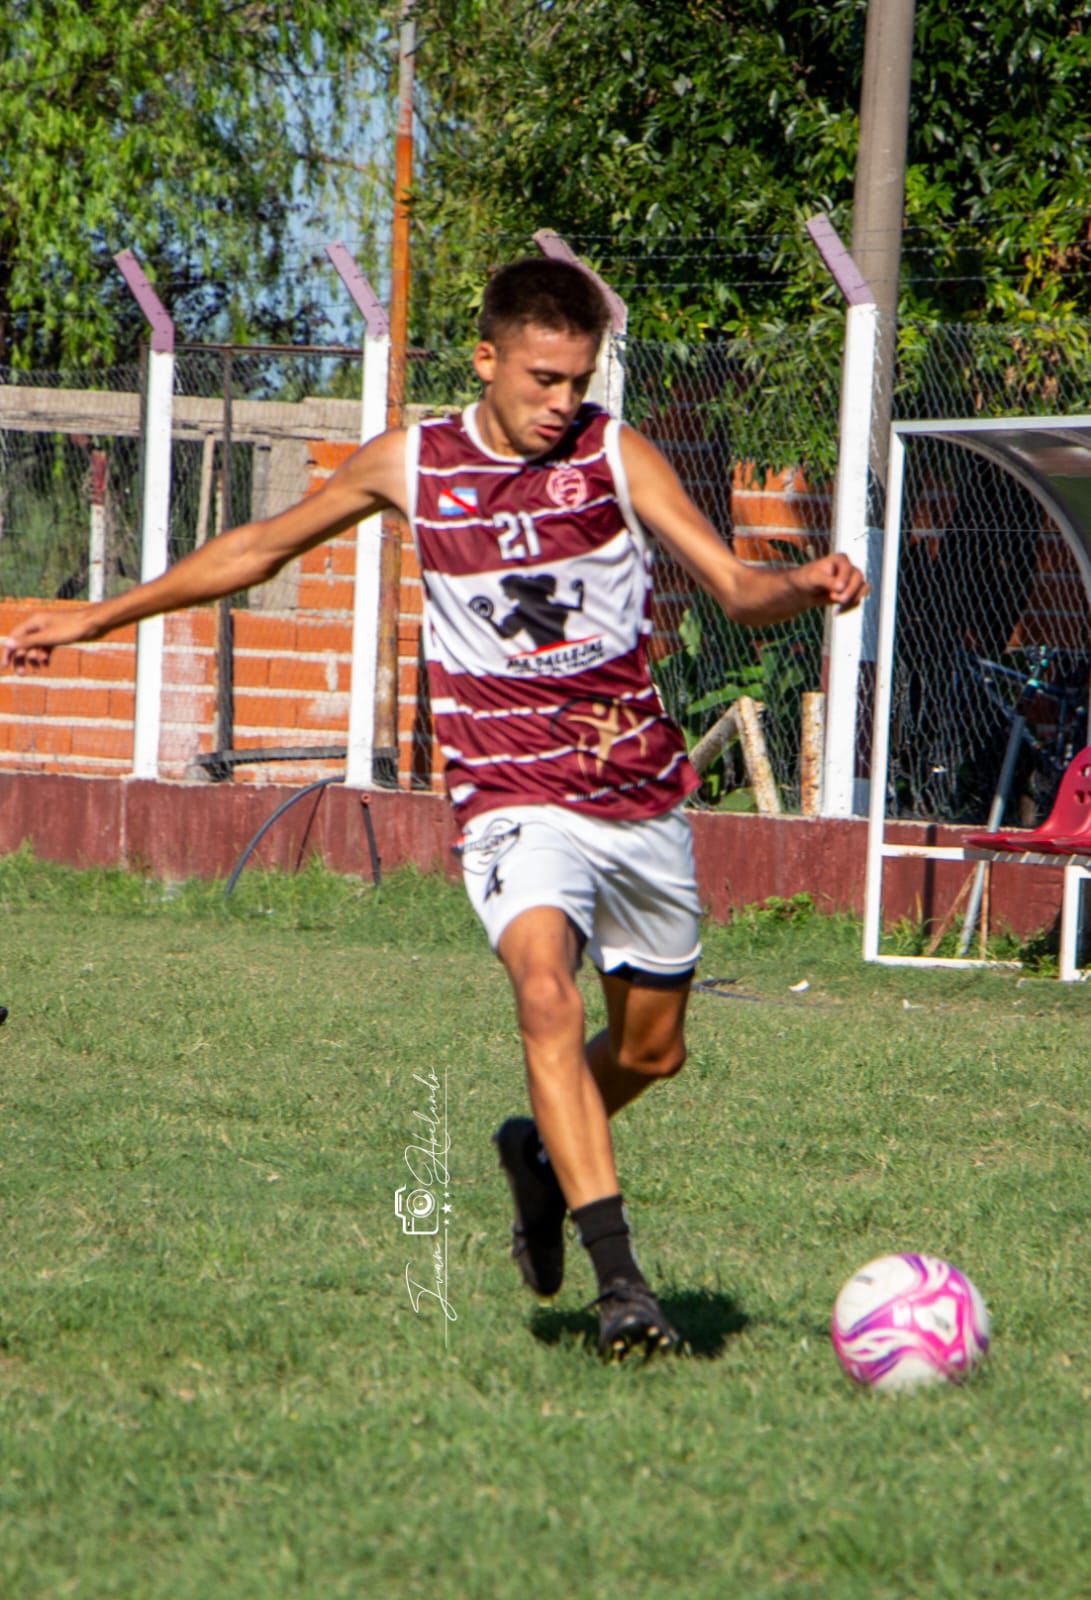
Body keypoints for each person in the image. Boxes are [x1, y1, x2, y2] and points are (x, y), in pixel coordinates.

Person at [3, 258, 866, 1358]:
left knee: (651, 1052)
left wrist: (804, 582)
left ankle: (543, 1155)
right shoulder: (416, 462)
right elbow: (257, 547)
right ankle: (621, 1287)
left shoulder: (611, 452)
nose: (562, 399)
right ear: (487, 358)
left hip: (636, 788)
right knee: (544, 995)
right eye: (543, 377)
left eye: (578, 377)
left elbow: (737, 588)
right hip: (507, 792)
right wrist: (99, 618)